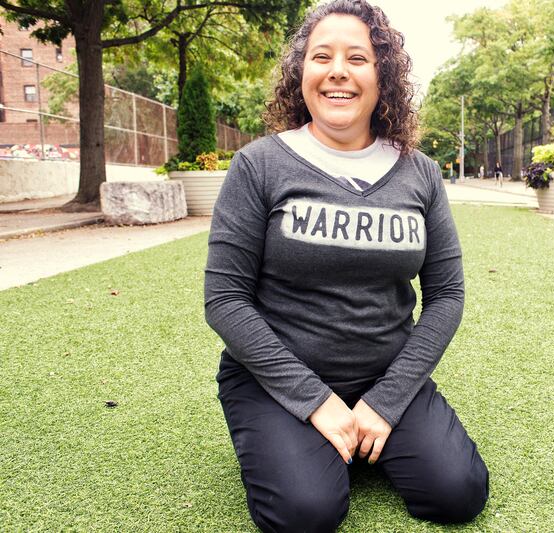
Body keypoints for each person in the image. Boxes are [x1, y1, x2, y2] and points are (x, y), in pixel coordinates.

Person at [204, 1, 489, 531]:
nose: (338, 71)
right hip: (278, 381)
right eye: (322, 57)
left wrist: (388, 399)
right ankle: (323, 441)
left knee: (458, 492)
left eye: (357, 58)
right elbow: (225, 300)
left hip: (386, 375)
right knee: (305, 513)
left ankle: (360, 437)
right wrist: (315, 401)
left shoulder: (421, 173)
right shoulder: (259, 164)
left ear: (383, 76)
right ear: (301, 73)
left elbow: (447, 295)